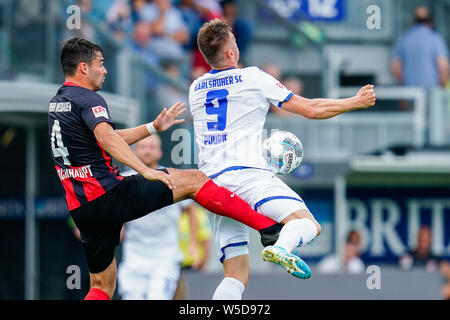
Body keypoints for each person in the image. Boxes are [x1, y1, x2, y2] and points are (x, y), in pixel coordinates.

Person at [48, 37, 294, 300]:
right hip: (109, 194)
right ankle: (268, 229)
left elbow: (105, 136)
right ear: (84, 68)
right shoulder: (88, 98)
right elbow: (107, 139)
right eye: (101, 63)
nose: (105, 70)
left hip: (83, 208)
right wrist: (145, 170)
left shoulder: (58, 102)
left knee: (100, 286)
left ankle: (267, 229)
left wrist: (152, 127)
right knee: (195, 180)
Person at [189, 19, 376, 299]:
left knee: (236, 274)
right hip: (247, 174)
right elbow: (310, 109)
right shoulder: (253, 77)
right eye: (235, 43)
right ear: (230, 53)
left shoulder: (196, 88)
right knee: (308, 225)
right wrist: (355, 102)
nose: (237, 47)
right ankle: (281, 249)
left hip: (211, 186)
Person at [117, 135, 197, 300]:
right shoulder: (123, 181)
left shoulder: (172, 178)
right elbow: (112, 210)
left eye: (151, 147)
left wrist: (193, 244)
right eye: (143, 146)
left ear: (160, 152)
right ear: (135, 151)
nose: (147, 151)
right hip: (133, 255)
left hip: (165, 256)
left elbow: (190, 209)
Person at [391, 6, 449, 89]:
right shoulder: (435, 39)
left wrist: (404, 86)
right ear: (431, 21)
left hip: (410, 94)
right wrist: (442, 89)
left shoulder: (404, 39)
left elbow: (396, 69)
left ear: (414, 20)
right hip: (431, 95)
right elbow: (443, 68)